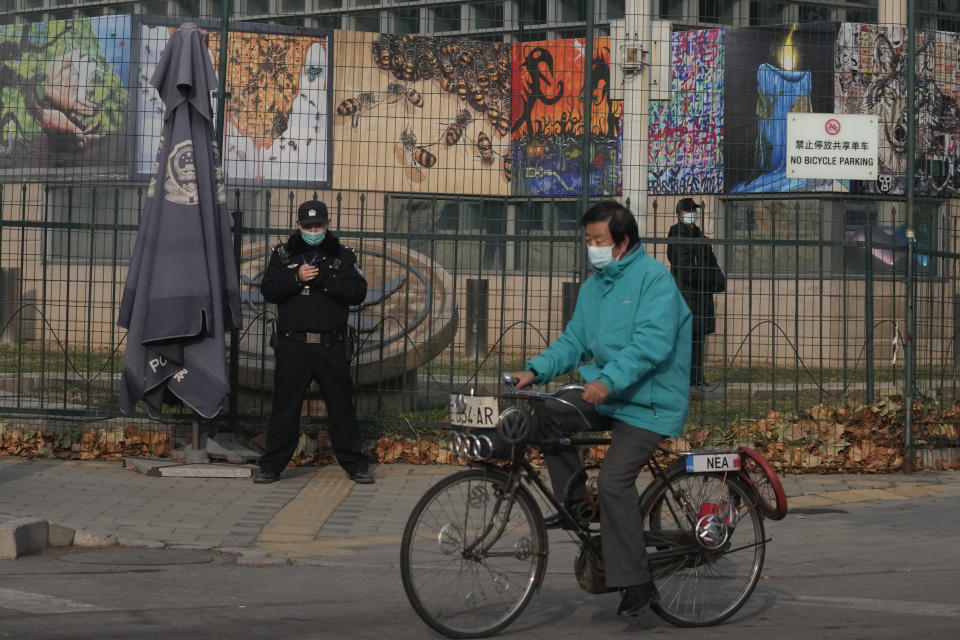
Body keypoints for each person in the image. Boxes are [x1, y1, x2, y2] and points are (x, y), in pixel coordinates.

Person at [510, 200, 691, 618]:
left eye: (598, 241)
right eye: (587, 240)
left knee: (613, 482)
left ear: (623, 242)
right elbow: (573, 341)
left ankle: (636, 582)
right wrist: (534, 371)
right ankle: (578, 508)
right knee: (549, 414)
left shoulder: (654, 281)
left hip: (648, 403)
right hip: (608, 394)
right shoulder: (594, 286)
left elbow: (650, 345)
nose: (591, 247)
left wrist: (608, 381)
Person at [253, 200, 373, 484]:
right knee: (285, 407)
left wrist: (327, 282)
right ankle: (272, 465)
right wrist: (296, 278)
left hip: (331, 344)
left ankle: (355, 464)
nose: (314, 230)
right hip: (293, 345)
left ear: (327, 224)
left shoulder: (343, 257)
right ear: (298, 226)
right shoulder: (283, 256)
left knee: (341, 406)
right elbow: (269, 289)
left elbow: (358, 292)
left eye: (319, 225)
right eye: (308, 226)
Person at [667, 197, 721, 388]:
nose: (693, 214)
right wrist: (706, 279)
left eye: (694, 211)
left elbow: (712, 265)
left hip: (702, 298)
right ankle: (683, 379)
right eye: (690, 211)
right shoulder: (676, 235)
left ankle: (697, 378)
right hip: (686, 297)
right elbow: (684, 268)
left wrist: (716, 281)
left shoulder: (701, 238)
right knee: (685, 340)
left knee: (699, 341)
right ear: (680, 214)